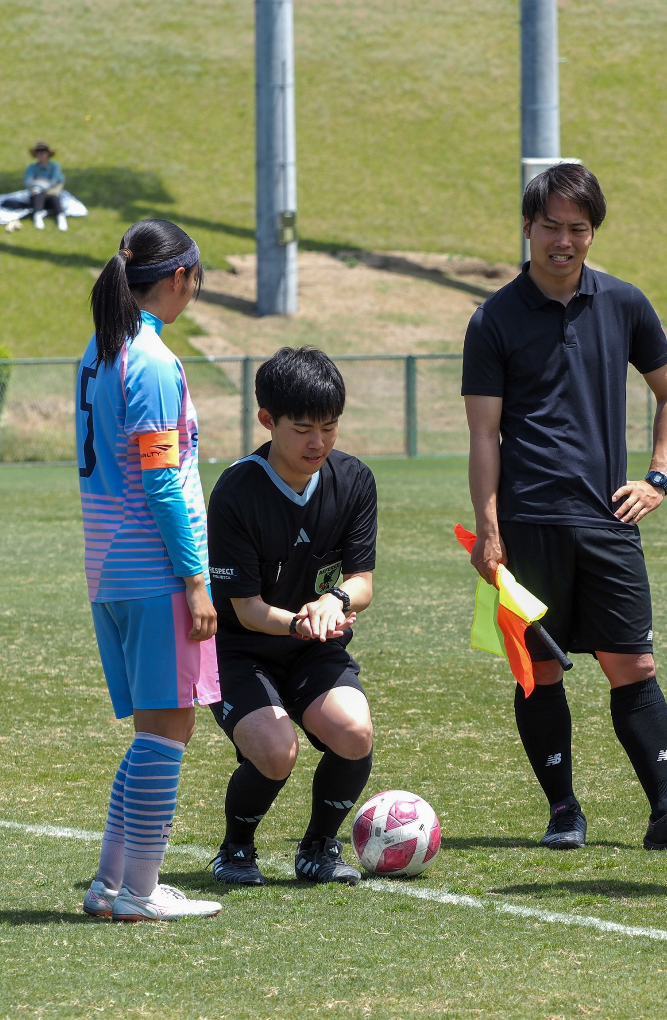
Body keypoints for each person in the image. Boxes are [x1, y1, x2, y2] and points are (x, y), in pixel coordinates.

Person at [462, 163, 667, 855]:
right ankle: (563, 811)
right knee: (540, 671)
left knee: (633, 666)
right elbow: (483, 435)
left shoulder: (625, 303)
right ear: (527, 227)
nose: (564, 240)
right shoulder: (492, 319)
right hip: (527, 525)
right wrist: (489, 530)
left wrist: (658, 477)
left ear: (592, 233)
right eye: (550, 226)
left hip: (609, 522)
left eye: (577, 228)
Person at [76, 218, 224, 922]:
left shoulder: (100, 349)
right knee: (168, 734)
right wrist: (195, 579)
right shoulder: (154, 361)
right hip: (155, 571)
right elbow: (163, 481)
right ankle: (139, 890)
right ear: (178, 278)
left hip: (110, 570)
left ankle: (111, 885)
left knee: (152, 735)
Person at [205, 346, 377, 888]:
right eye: (302, 429)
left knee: (354, 732)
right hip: (240, 650)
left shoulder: (354, 480)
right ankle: (236, 850)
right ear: (267, 420)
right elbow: (248, 611)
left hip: (312, 647)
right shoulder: (236, 491)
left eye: (329, 427)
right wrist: (303, 621)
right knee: (278, 752)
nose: (318, 442)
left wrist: (335, 602)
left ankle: (318, 848)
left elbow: (362, 582)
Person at [24, 141, 68, 231]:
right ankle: (38, 216)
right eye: (39, 152)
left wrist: (43, 185)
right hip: (38, 195)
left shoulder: (54, 166)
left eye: (43, 152)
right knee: (38, 196)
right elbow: (28, 181)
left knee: (54, 198)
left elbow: (55, 180)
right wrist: (39, 185)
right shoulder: (32, 167)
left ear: (48, 154)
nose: (41, 154)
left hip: (51, 193)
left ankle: (61, 217)